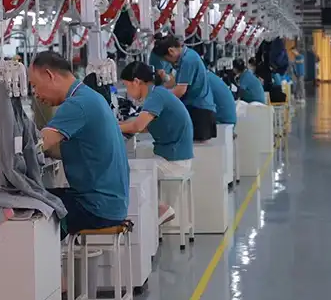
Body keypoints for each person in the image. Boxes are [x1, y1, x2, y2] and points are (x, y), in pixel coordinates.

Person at [29, 51, 130, 240]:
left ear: (50, 76)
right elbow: (64, 149)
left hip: (94, 208)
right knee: (40, 198)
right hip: (110, 204)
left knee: (26, 209)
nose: (35, 94)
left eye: (34, 85)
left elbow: (37, 144)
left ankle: (38, 267)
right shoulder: (91, 97)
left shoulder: (77, 104)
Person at [119, 61, 195, 225]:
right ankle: (152, 210)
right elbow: (145, 127)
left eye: (127, 86)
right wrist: (119, 126)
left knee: (125, 170)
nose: (128, 92)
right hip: (176, 156)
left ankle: (160, 208)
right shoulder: (159, 93)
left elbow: (138, 126)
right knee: (137, 160)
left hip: (174, 162)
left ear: (137, 82)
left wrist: (111, 127)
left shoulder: (156, 96)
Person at [152, 35, 217, 141]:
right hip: (198, 108)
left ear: (171, 51)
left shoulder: (188, 60)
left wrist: (159, 99)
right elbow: (174, 82)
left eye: (167, 59)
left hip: (199, 112)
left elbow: (180, 90)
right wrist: (159, 88)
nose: (169, 63)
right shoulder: (188, 56)